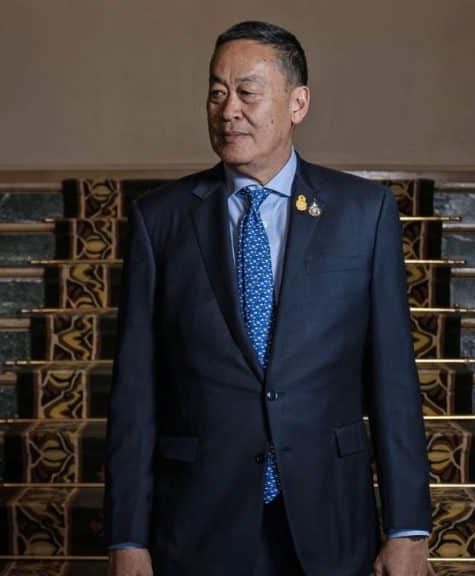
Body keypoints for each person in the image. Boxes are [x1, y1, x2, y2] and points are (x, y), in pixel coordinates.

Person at [104, 20, 432, 576]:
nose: (228, 110)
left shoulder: (363, 213)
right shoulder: (161, 220)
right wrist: (126, 537)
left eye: (247, 93)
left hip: (329, 518)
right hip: (199, 522)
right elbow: (135, 393)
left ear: (298, 103)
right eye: (216, 93)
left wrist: (407, 528)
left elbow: (393, 380)